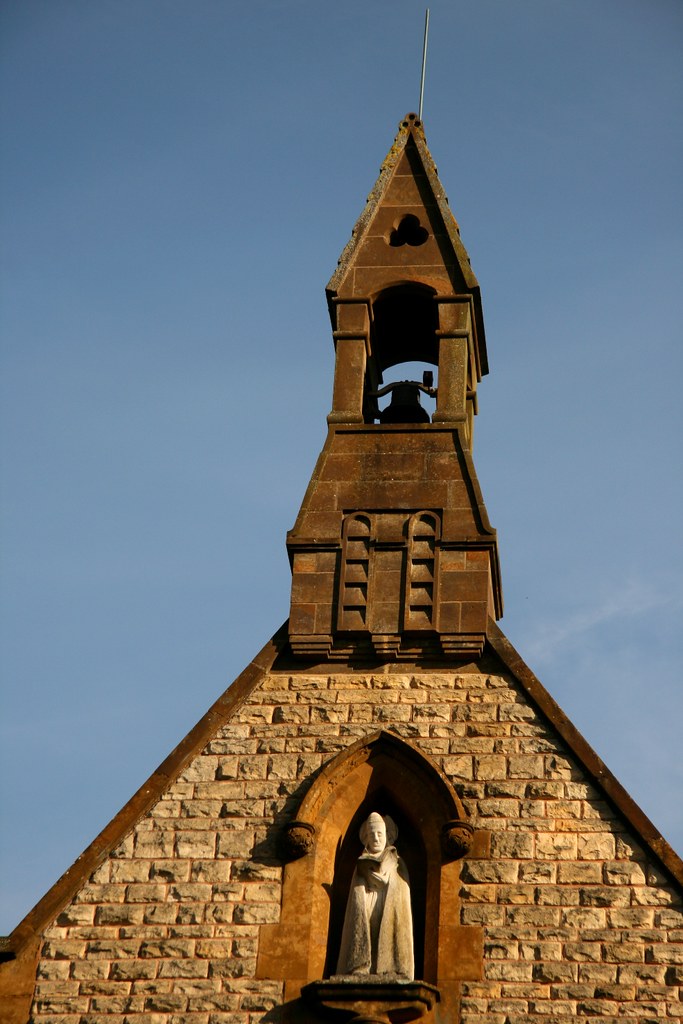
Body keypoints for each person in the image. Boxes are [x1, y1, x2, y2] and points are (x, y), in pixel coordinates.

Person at [336, 812, 414, 980]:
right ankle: (361, 967)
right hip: (368, 904)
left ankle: (389, 969)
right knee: (368, 934)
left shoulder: (397, 862)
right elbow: (355, 893)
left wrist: (389, 881)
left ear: (387, 835)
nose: (376, 839)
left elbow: (402, 890)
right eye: (372, 835)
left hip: (387, 905)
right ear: (366, 838)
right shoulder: (360, 863)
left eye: (380, 834)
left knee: (385, 934)